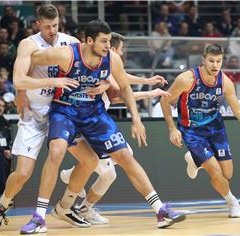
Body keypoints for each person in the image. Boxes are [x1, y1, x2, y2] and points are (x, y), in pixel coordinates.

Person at [29, 19, 186, 230]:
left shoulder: (111, 59)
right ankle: (39, 216)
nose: (107, 46)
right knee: (56, 152)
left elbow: (125, 89)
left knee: (125, 157)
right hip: (65, 110)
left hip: (94, 113)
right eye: (104, 42)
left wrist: (136, 119)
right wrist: (38, 85)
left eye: (109, 41)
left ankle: (160, 210)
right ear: (89, 40)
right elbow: (32, 58)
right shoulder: (66, 54)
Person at [0, 4, 86, 233]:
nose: (52, 30)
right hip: (34, 113)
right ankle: (1, 205)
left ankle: (67, 206)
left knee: (89, 160)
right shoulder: (28, 45)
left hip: (61, 112)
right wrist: (49, 83)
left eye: (56, 25)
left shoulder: (70, 42)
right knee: (22, 173)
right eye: (48, 26)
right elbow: (19, 81)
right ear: (37, 24)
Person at [59, 32, 170, 225]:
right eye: (118, 49)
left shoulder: (108, 67)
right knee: (115, 165)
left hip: (92, 120)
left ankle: (78, 192)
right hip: (82, 120)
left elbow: (122, 79)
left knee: (114, 166)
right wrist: (150, 91)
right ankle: (75, 191)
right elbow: (118, 97)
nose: (121, 52)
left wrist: (147, 82)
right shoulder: (100, 65)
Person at [160, 44, 240, 218]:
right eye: (211, 61)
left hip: (215, 127)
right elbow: (164, 101)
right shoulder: (186, 79)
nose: (215, 65)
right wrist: (172, 129)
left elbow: (239, 111)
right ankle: (232, 201)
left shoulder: (225, 82)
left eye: (218, 61)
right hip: (192, 130)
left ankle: (194, 160)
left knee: (227, 173)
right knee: (215, 172)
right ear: (203, 60)